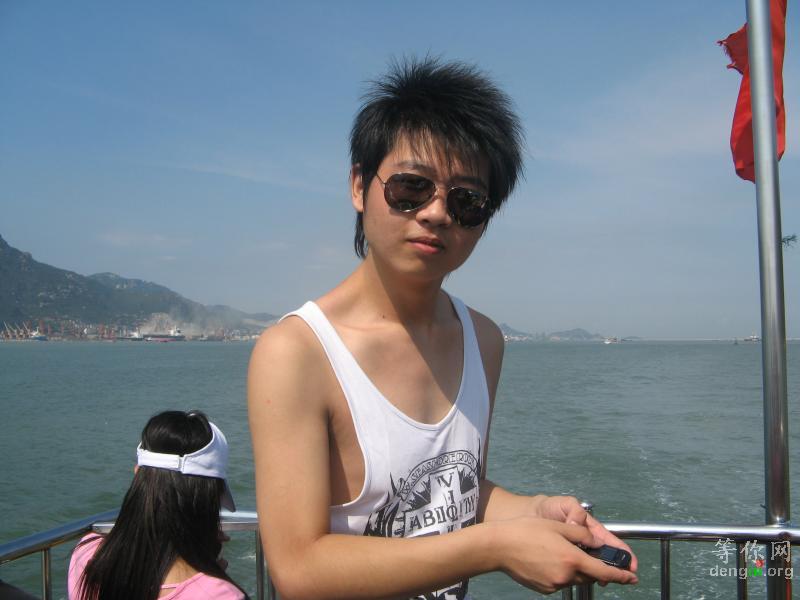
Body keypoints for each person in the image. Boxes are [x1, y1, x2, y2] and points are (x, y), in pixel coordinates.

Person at [248, 57, 639, 599]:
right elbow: (298, 569)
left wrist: (532, 510)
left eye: (467, 201)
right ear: (360, 186)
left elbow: (453, 491)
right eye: (411, 187)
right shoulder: (297, 352)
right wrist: (494, 548)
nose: (436, 213)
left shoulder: (483, 340)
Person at [68, 410, 247, 600]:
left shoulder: (86, 554)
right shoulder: (221, 595)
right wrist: (210, 577)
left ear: (138, 474)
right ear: (210, 496)